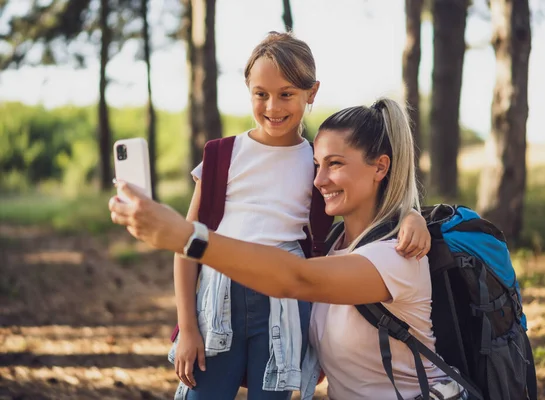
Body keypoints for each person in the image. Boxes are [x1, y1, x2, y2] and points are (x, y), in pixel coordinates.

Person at [109, 97, 467, 400]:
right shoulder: (333, 247)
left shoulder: (396, 256)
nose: (318, 180)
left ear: (381, 167)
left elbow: (292, 278)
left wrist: (185, 236)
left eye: (335, 164)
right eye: (316, 165)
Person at [166, 31, 431, 400]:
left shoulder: (316, 163)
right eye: (261, 94)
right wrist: (187, 327)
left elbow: (366, 204)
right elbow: (187, 245)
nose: (273, 107)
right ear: (248, 89)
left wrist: (412, 217)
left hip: (286, 305)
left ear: (312, 92)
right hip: (218, 299)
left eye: (286, 94)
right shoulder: (222, 156)